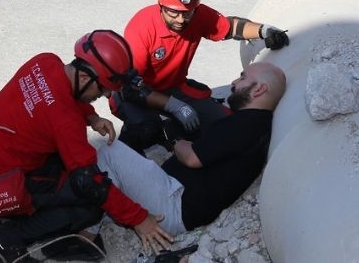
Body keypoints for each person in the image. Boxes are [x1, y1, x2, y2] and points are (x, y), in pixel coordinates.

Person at [0, 30, 173, 263]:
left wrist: (90, 116)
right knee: (90, 206)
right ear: (85, 78)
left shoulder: (45, 62)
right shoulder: (65, 120)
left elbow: (53, 97)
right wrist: (139, 219)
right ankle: (5, 238)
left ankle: (6, 215)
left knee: (64, 169)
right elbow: (89, 183)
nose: (104, 95)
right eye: (102, 90)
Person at [110, 0, 289, 152]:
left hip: (173, 86)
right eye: (173, 12)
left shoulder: (197, 16)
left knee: (222, 122)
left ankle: (172, 134)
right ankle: (122, 156)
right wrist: (174, 106)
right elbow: (129, 88)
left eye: (187, 13)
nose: (180, 20)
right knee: (145, 129)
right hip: (133, 93)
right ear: (160, 2)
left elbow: (231, 27)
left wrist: (264, 30)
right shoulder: (141, 28)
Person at [95, 62, 285, 238]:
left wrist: (174, 140)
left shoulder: (246, 123)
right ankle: (108, 207)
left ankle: (89, 232)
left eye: (243, 78)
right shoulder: (256, 123)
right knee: (124, 161)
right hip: (177, 201)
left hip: (172, 207)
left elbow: (192, 158)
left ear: (259, 89)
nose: (234, 82)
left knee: (109, 152)